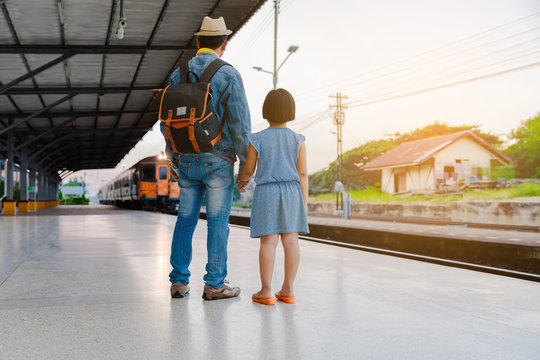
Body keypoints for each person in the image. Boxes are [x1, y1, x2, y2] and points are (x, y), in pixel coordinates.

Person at [166, 16, 251, 300]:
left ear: (198, 42)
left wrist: (173, 156)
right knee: (217, 222)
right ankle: (214, 284)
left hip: (187, 159)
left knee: (185, 219)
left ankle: (178, 282)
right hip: (218, 161)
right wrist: (246, 168)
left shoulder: (177, 74)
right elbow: (240, 126)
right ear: (223, 45)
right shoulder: (229, 74)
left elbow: (168, 120)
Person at [237, 89, 309, 305]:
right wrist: (303, 202)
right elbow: (303, 173)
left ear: (266, 111)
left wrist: (241, 180)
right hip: (292, 192)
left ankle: (266, 292)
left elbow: (249, 170)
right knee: (291, 242)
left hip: (267, 191)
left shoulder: (257, 139)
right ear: (290, 111)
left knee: (268, 242)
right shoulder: (298, 139)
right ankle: (288, 289)